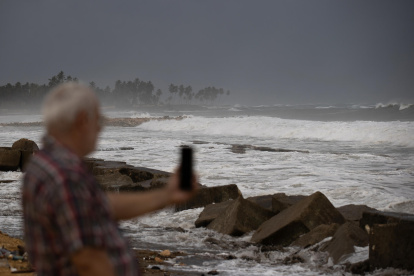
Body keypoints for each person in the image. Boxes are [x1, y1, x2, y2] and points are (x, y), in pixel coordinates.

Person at [22, 82, 197, 276]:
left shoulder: (45, 164)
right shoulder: (65, 175)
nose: (99, 128)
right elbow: (87, 261)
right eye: (99, 120)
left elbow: (101, 205)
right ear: (82, 121)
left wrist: (167, 195)